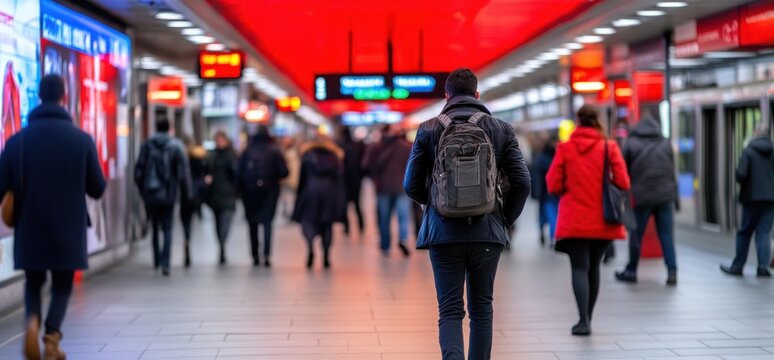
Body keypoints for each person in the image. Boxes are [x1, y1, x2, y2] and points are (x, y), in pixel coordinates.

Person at [404, 68, 531, 360]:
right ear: (476, 95)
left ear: (446, 96)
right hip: (487, 231)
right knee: (482, 308)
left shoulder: (427, 129)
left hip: (443, 232)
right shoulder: (501, 128)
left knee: (449, 309)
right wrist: (504, 220)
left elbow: (410, 184)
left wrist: (435, 204)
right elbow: (523, 182)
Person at [0, 74, 106, 359]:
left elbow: (1, 187)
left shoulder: (16, 142)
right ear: (63, 97)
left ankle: (32, 322)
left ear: (39, 98)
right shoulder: (81, 140)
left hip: (29, 225)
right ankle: (51, 338)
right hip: (67, 227)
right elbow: (97, 188)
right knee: (62, 283)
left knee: (33, 282)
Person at [546, 105, 631, 336]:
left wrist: (571, 187)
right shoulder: (609, 147)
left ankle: (582, 320)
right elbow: (623, 181)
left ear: (577, 121)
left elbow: (553, 183)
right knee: (594, 268)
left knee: (579, 268)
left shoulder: (566, 147)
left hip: (574, 220)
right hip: (603, 219)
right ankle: (588, 319)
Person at [615, 115, 678, 285]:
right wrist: (676, 197)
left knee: (636, 234)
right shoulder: (665, 143)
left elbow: (623, 171)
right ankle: (672, 270)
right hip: (665, 196)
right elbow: (672, 172)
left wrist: (623, 194)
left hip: (641, 196)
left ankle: (632, 270)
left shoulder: (631, 143)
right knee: (666, 235)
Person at [135, 117, 191, 276]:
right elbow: (183, 173)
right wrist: (187, 193)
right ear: (169, 128)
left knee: (154, 227)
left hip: (151, 194)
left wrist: (142, 190)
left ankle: (156, 259)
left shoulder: (147, 145)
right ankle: (166, 262)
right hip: (168, 194)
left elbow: (138, 171)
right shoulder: (176, 146)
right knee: (167, 228)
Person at [721, 122, 774, 278]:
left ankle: (738, 266)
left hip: (751, 199)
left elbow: (741, 175)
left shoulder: (748, 151)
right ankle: (763, 268)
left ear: (756, 133)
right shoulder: (773, 151)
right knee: (764, 233)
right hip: (770, 199)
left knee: (744, 232)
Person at [292, 136, 346, 269]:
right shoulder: (335, 157)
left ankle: (310, 247)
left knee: (309, 222)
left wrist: (298, 197)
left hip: (311, 192)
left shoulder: (308, 156)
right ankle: (326, 255)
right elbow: (340, 178)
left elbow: (302, 178)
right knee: (327, 225)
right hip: (329, 194)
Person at [238, 126, 289, 267]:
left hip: (250, 194)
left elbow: (239, 173)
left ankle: (255, 255)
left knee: (252, 224)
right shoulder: (274, 151)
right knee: (267, 224)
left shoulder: (247, 152)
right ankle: (266, 254)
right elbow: (284, 172)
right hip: (270, 193)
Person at [364, 124, 413, 257]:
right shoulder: (407, 147)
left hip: (383, 187)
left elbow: (366, 165)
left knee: (384, 217)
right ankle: (403, 239)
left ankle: (385, 245)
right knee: (403, 216)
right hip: (402, 186)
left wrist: (375, 178)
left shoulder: (376, 147)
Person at [205, 131, 239, 265]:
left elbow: (236, 174)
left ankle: (222, 245)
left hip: (228, 195)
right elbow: (206, 170)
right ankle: (221, 245)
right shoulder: (211, 155)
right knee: (218, 224)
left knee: (225, 223)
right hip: (215, 195)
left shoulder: (232, 155)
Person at [180, 136, 207, 268]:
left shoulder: (180, 159)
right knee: (187, 219)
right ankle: (187, 239)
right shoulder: (197, 158)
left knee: (185, 220)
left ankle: (187, 239)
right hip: (193, 195)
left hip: (184, 196)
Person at [338, 127, 366, 237]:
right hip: (356, 179)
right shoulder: (356, 145)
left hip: (344, 180)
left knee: (344, 204)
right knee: (357, 204)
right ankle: (361, 226)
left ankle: (346, 228)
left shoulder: (340, 146)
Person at [533, 135, 559, 247]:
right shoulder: (551, 157)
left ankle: (550, 235)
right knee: (551, 214)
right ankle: (552, 236)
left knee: (547, 215)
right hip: (548, 192)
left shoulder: (541, 157)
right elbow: (537, 176)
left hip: (549, 193)